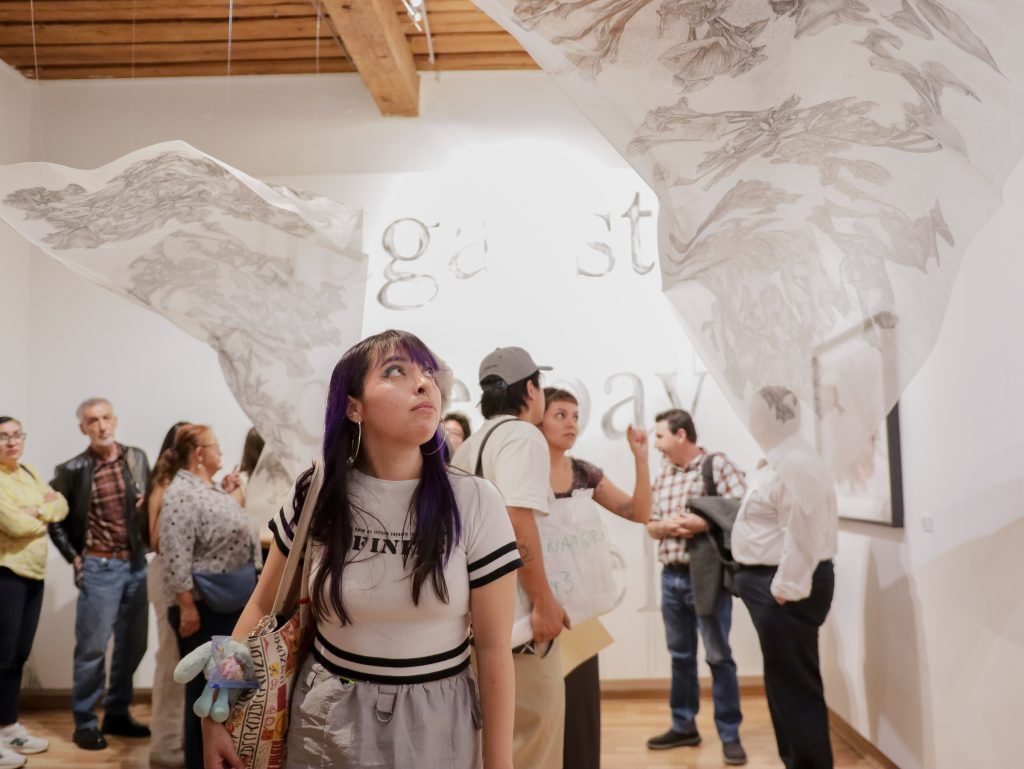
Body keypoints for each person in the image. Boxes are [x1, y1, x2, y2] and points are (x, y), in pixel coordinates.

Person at [199, 329, 522, 769]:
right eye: (396, 371)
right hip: (327, 717)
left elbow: (494, 649)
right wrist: (216, 701)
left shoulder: (474, 500)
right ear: (354, 407)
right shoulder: (318, 490)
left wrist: (499, 763)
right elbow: (260, 603)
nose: (423, 383)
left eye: (428, 372)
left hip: (437, 720)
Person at [450, 346, 569, 769]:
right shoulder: (522, 435)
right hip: (520, 628)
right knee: (534, 749)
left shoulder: (470, 446)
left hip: (477, 626)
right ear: (531, 390)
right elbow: (518, 518)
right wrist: (544, 602)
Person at [539, 388, 652, 769]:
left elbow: (638, 512)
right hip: (535, 612)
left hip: (580, 616)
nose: (571, 423)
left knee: (580, 712)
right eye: (560, 414)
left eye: (575, 416)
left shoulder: (584, 473)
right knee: (543, 715)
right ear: (538, 418)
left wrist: (641, 460)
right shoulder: (523, 475)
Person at [733, 387, 838, 769]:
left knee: (795, 688)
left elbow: (803, 533)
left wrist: (784, 590)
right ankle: (794, 761)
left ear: (767, 419)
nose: (749, 419)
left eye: (754, 412)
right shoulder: (779, 461)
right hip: (773, 586)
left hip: (785, 589)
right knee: (783, 683)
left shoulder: (795, 463)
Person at [645, 408, 748, 766]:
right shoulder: (663, 477)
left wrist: (703, 523)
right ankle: (683, 726)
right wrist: (664, 527)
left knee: (718, 656)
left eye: (660, 436)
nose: (656, 444)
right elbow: (650, 525)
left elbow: (743, 510)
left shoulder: (716, 465)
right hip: (671, 577)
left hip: (707, 576)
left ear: (681, 435)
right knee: (680, 656)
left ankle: (730, 734)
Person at [49, 397, 151, 751]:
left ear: (115, 420)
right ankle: (85, 721)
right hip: (98, 565)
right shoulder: (72, 469)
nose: (102, 425)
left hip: (136, 564)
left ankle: (117, 712)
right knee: (92, 648)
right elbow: (54, 519)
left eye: (106, 417)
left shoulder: (137, 459)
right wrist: (74, 558)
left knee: (133, 644)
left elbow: (152, 502)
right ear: (83, 428)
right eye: (93, 421)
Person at [159, 424, 260, 769]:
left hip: (225, 604)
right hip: (204, 608)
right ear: (199, 454)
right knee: (205, 694)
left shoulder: (208, 489)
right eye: (216, 446)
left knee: (222, 689)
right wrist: (187, 606)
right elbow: (175, 555)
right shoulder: (182, 493)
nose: (221, 452)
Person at [0, 417, 69, 769]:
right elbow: (13, 524)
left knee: (18, 656)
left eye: (17, 435)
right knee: (1, 656)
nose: (12, 442)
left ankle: (8, 727)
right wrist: (42, 513)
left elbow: (61, 506)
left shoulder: (27, 471)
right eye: (3, 437)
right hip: (6, 573)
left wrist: (38, 510)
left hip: (34, 574)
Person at [144, 421, 189, 768]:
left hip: (183, 575)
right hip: (168, 575)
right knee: (171, 661)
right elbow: (158, 539)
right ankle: (164, 744)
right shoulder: (164, 483)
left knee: (185, 662)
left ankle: (180, 740)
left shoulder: (188, 483)